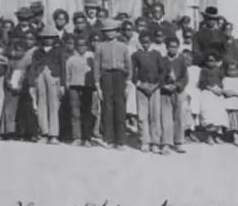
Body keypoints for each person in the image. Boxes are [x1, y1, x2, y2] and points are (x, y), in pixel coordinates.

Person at [95, 20, 133, 148]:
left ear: (117, 32)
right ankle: (108, 138)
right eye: (107, 31)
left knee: (120, 106)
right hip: (106, 76)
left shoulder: (123, 46)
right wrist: (97, 84)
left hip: (119, 75)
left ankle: (120, 140)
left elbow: (129, 65)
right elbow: (96, 66)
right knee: (107, 106)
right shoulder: (100, 46)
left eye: (112, 31)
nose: (110, 33)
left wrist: (128, 81)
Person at [131, 32, 167, 154]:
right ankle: (144, 141)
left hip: (155, 87)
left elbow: (163, 71)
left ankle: (155, 142)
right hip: (142, 87)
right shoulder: (136, 55)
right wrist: (140, 84)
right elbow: (132, 72)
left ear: (151, 42)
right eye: (143, 42)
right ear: (140, 42)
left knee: (155, 115)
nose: (146, 44)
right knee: (142, 115)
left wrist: (156, 85)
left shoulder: (156, 54)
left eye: (148, 42)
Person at [29, 31, 64, 144]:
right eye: (45, 38)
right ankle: (44, 132)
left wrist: (62, 84)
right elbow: (33, 67)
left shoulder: (58, 51)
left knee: (54, 104)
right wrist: (31, 84)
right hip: (39, 76)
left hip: (53, 77)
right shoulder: (37, 52)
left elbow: (63, 67)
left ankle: (53, 134)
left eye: (50, 37)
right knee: (41, 104)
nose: (48, 40)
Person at [64, 35, 96, 146]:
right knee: (75, 112)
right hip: (74, 87)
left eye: (84, 45)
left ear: (87, 46)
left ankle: (87, 137)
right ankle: (77, 137)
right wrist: (68, 86)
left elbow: (96, 72)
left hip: (87, 87)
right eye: (79, 45)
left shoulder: (92, 57)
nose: (81, 47)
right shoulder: (71, 59)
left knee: (87, 112)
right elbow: (67, 75)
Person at [161, 39, 189, 154]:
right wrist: (164, 85)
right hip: (165, 92)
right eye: (170, 47)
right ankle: (166, 143)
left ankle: (178, 142)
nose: (173, 49)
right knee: (166, 117)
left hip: (177, 91)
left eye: (175, 47)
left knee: (178, 116)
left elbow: (185, 77)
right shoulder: (162, 60)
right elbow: (159, 75)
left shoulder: (181, 61)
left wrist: (178, 85)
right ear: (167, 47)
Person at [197, 52, 228, 142]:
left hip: (218, 93)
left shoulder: (218, 70)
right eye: (209, 60)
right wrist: (211, 88)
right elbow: (202, 83)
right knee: (209, 114)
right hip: (208, 92)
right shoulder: (204, 70)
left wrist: (219, 89)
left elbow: (222, 81)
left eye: (213, 60)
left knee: (219, 113)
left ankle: (217, 135)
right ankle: (209, 136)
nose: (211, 62)